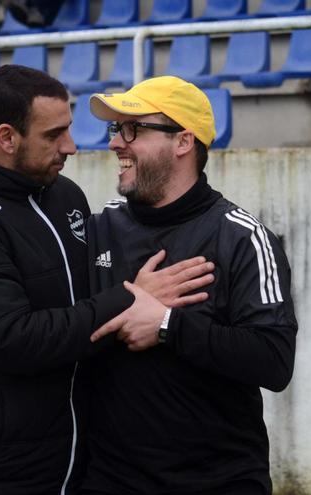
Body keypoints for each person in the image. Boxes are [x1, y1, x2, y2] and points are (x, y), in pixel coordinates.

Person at [0, 65, 213, 495]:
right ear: (8, 138)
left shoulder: (65, 196)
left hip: (66, 453)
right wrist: (132, 301)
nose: (71, 146)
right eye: (53, 135)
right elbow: (16, 340)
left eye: (68, 129)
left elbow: (77, 300)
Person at [78, 76, 298, 495]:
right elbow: (48, 316)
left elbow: (274, 360)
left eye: (133, 129)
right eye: (115, 129)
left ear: (183, 141)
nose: (115, 144)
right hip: (109, 480)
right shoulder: (97, 229)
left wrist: (166, 324)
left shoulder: (242, 237)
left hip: (219, 482)